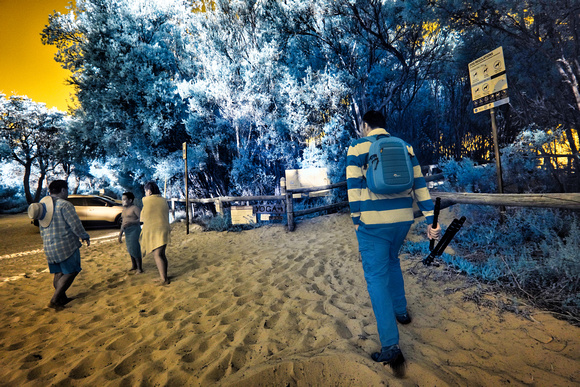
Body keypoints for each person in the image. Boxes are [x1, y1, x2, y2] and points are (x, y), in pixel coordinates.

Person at [346, 110, 441, 375]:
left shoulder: (357, 146)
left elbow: (352, 186)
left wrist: (356, 220)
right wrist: (431, 220)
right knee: (392, 261)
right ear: (385, 126)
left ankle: (390, 346)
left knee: (376, 278)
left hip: (373, 224)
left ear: (365, 125)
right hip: (402, 220)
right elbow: (420, 186)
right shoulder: (405, 146)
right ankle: (401, 311)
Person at [34, 180, 90, 309]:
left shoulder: (42, 206)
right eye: (67, 190)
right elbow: (75, 224)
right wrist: (84, 236)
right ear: (63, 190)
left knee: (58, 273)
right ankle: (55, 299)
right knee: (72, 271)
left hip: (49, 246)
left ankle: (61, 298)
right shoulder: (65, 205)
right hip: (65, 245)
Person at [139, 181, 171, 285]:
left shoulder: (147, 200)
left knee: (157, 254)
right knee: (162, 254)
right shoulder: (163, 200)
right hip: (164, 229)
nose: (145, 194)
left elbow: (143, 218)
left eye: (145, 191)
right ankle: (164, 276)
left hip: (156, 230)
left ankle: (164, 279)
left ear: (149, 191)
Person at [118, 192, 143, 273]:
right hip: (127, 231)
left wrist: (132, 222)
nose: (123, 201)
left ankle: (139, 268)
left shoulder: (135, 208)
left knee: (135, 248)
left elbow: (142, 220)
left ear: (130, 200)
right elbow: (123, 222)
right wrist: (120, 234)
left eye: (124, 199)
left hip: (134, 230)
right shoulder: (124, 210)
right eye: (122, 199)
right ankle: (134, 266)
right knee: (130, 248)